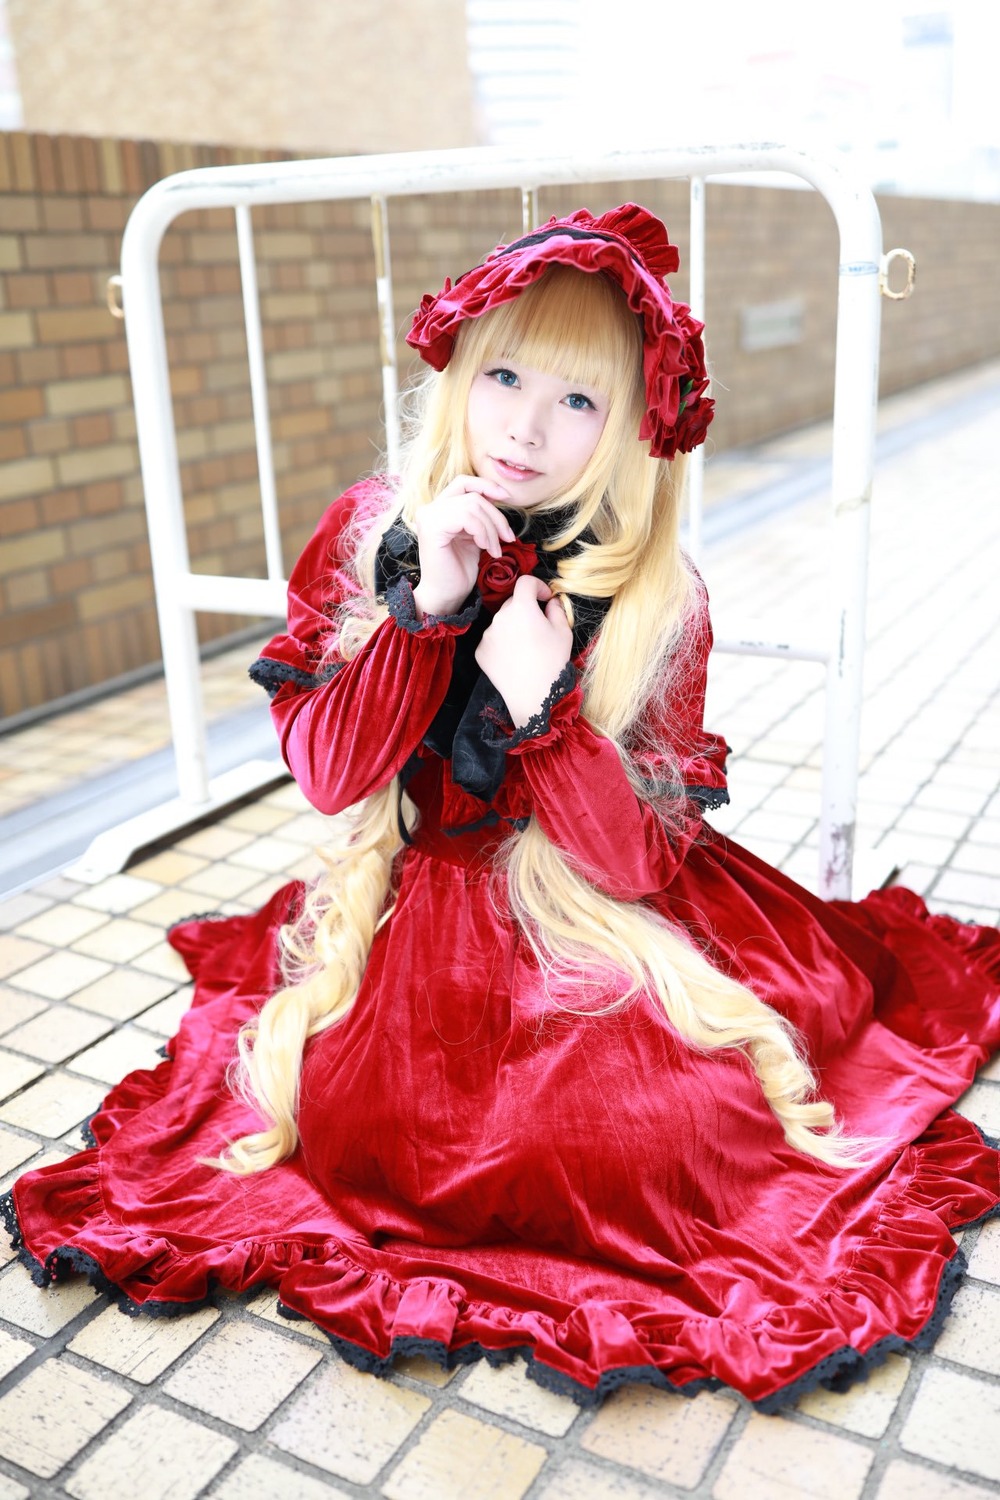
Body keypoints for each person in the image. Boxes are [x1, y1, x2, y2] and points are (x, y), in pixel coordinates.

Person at [4, 205, 999, 1414]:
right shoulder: (371, 534)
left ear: (634, 428)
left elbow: (637, 862)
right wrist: (428, 606)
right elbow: (329, 772)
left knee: (652, 1141)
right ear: (459, 376)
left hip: (594, 901)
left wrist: (547, 716)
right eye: (505, 376)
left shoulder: (654, 590)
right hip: (427, 903)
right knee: (373, 1131)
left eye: (577, 401)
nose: (526, 425)